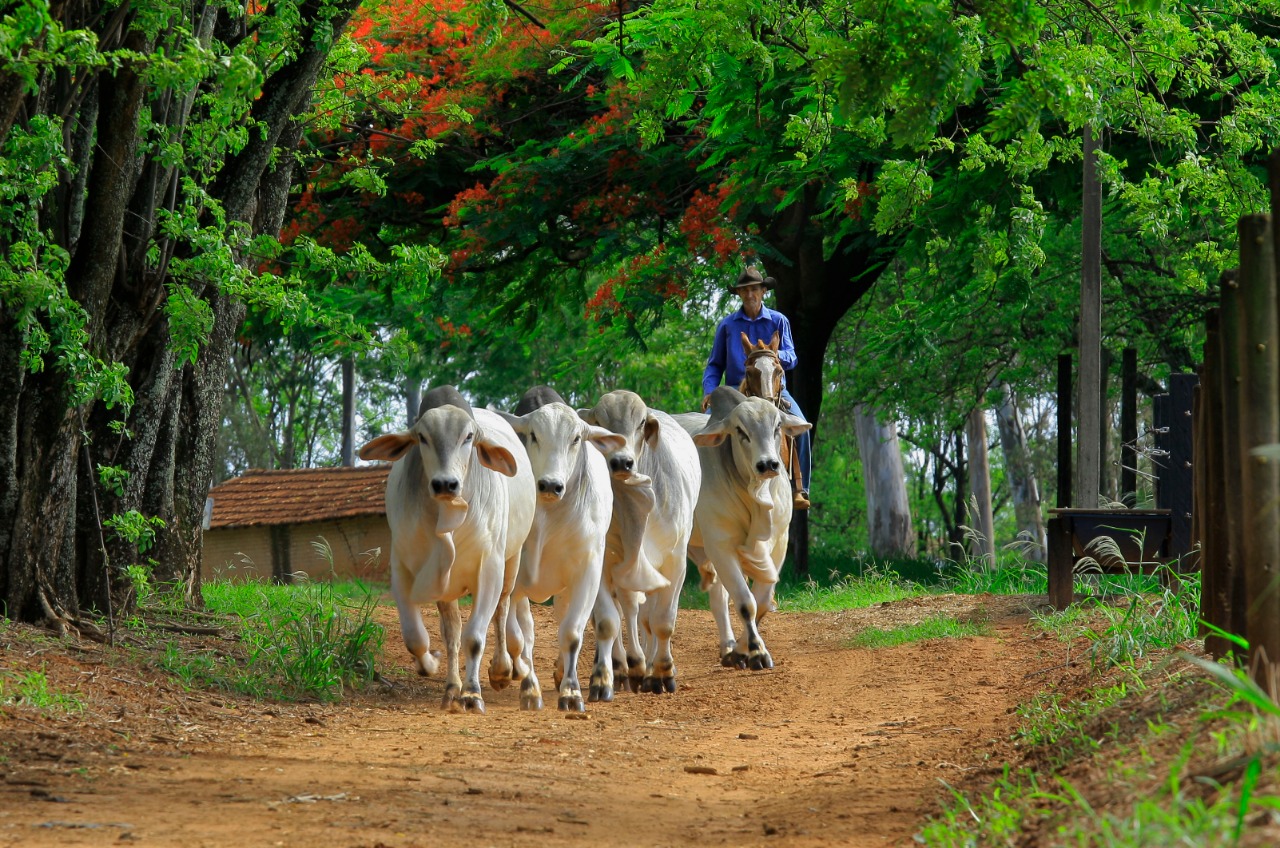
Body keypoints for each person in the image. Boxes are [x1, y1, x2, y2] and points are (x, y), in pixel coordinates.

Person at [701, 266, 811, 510]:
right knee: (707, 428)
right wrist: (710, 390)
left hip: (775, 390)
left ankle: (800, 487)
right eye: (745, 290)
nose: (750, 294)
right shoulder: (727, 326)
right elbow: (715, 364)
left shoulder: (778, 320)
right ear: (739, 294)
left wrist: (772, 355)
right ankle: (704, 483)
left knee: (801, 426)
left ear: (763, 291)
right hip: (735, 393)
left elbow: (792, 356)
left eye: (754, 289)